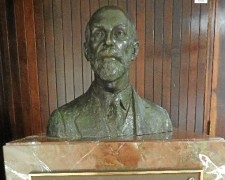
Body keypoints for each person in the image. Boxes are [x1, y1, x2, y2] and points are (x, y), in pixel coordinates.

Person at [47, 6, 172, 139]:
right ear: (87, 51)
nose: (108, 41)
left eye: (119, 33)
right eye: (99, 34)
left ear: (134, 50)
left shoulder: (160, 120)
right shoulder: (62, 122)